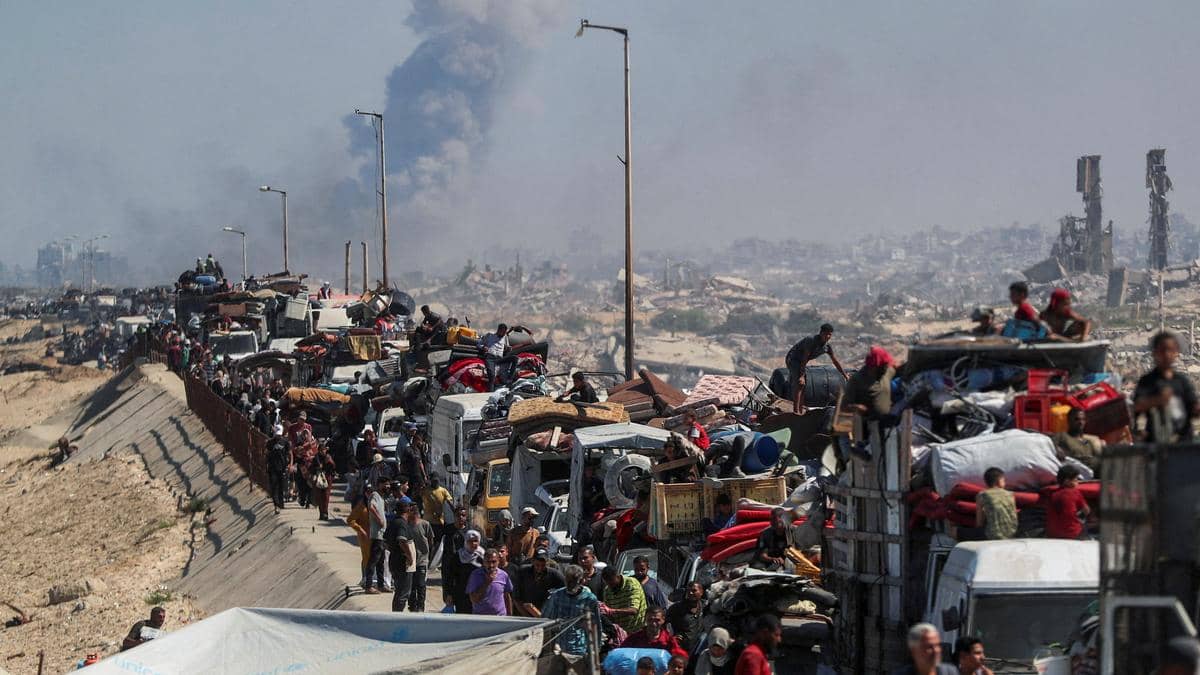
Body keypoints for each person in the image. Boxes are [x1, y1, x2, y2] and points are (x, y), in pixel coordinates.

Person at [1134, 331, 1199, 443]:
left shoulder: (1182, 381)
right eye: (1162, 350)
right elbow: (1136, 407)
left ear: (1176, 353)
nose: (1167, 354)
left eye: (1171, 350)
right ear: (1155, 353)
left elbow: (1192, 407)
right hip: (1157, 445)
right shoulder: (1147, 382)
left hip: (1184, 443)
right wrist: (1158, 400)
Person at [543, 564, 603, 657]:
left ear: (581, 580)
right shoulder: (557, 596)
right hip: (558, 648)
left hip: (579, 649)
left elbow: (596, 626)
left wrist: (595, 650)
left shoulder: (589, 599)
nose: (570, 584)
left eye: (573, 581)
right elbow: (545, 621)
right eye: (568, 581)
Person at [785, 323, 848, 414]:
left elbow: (835, 361)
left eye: (830, 334)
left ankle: (800, 410)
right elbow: (804, 357)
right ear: (821, 333)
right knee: (800, 383)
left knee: (804, 385)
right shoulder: (811, 341)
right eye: (826, 334)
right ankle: (796, 412)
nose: (828, 336)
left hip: (802, 362)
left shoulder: (827, 347)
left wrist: (845, 375)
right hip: (793, 359)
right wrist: (801, 376)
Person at [845, 346, 897, 419]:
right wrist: (857, 407)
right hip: (865, 424)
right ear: (875, 367)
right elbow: (845, 406)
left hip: (887, 422)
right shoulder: (857, 379)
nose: (887, 367)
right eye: (884, 365)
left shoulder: (887, 373)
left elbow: (896, 367)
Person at [621, 605, 689, 659]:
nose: (653, 624)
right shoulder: (635, 638)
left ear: (663, 620)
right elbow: (620, 654)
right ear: (645, 619)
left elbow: (682, 658)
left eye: (657, 620)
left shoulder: (669, 641)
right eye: (650, 620)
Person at [513, 548, 565, 617]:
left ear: (548, 562)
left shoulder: (554, 574)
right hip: (523, 614)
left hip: (545, 614)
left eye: (543, 565)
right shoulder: (523, 572)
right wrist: (526, 616)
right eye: (537, 565)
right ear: (532, 561)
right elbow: (516, 598)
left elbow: (565, 590)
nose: (540, 568)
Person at [1051, 408, 1104, 474]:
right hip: (1074, 469)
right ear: (1069, 421)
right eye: (1077, 419)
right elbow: (1049, 446)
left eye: (1083, 419)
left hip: (1091, 471)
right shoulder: (1062, 436)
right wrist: (1057, 449)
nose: (1081, 422)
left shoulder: (1088, 442)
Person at [892, 623, 957, 675]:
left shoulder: (950, 672)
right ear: (914, 651)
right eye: (929, 647)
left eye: (937, 645)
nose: (936, 651)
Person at [1045, 464, 1090, 540]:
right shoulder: (1075, 492)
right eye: (1076, 479)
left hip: (1052, 534)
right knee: (1087, 527)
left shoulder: (1051, 494)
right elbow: (1086, 511)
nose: (1078, 482)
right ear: (1067, 481)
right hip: (1072, 534)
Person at [467, 548, 515, 616]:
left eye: (494, 562)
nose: (491, 565)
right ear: (483, 562)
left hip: (500, 617)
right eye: (488, 562)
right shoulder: (475, 575)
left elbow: (507, 596)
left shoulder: (503, 575)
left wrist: (510, 616)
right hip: (481, 618)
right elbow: (474, 599)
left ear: (498, 561)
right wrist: (487, 583)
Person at [975, 467, 1018, 540]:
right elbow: (1014, 515)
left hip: (992, 536)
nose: (1005, 483)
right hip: (1012, 534)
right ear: (999, 481)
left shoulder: (982, 495)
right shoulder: (1011, 494)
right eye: (1004, 480)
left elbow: (979, 522)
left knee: (954, 531)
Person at [601, 565, 647, 633]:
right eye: (607, 582)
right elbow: (608, 613)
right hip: (622, 632)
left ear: (617, 576)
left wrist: (612, 611)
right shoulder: (607, 590)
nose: (610, 585)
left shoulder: (631, 584)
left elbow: (633, 610)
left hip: (638, 630)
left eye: (611, 581)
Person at [448, 529, 484, 614]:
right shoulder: (458, 556)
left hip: (479, 593)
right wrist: (449, 594)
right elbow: (450, 576)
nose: (473, 544)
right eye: (470, 541)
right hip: (462, 594)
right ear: (465, 541)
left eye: (475, 541)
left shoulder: (482, 556)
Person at [665, 581, 706, 653]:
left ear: (701, 592)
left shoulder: (705, 607)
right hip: (679, 649)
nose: (690, 593)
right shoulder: (676, 608)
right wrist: (671, 637)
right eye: (688, 591)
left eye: (694, 591)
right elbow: (664, 624)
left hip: (696, 650)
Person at [363, 483, 388, 594]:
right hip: (377, 535)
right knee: (373, 561)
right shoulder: (375, 495)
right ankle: (369, 586)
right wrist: (379, 519)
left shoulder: (381, 497)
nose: (387, 488)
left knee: (380, 562)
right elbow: (371, 507)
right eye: (386, 485)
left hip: (381, 535)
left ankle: (381, 585)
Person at [423, 475, 452, 555]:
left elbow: (449, 502)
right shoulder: (425, 490)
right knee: (429, 541)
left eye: (437, 481)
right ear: (431, 481)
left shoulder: (443, 490)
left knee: (438, 542)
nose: (436, 483)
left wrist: (454, 511)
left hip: (439, 522)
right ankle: (429, 556)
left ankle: (435, 558)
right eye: (434, 481)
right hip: (428, 522)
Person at [308, 442, 336, 520]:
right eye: (321, 450)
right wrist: (318, 467)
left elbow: (333, 467)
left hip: (327, 478)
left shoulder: (328, 457)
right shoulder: (316, 458)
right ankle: (321, 513)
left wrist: (329, 462)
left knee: (326, 496)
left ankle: (325, 513)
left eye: (324, 450)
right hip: (319, 479)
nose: (323, 452)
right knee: (319, 497)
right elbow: (311, 469)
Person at [266, 426, 290, 512]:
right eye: (277, 435)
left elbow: (289, 453)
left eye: (279, 435)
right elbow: (267, 454)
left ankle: (281, 503)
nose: (278, 436)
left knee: (281, 486)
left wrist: (288, 465)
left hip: (282, 467)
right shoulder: (270, 442)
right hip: (272, 468)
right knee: (274, 486)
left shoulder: (285, 442)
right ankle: (276, 504)